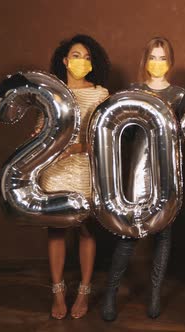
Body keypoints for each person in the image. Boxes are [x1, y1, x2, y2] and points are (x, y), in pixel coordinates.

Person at [101, 37, 185, 321]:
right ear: (145, 60)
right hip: (137, 171)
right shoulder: (133, 91)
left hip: (168, 173)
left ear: (170, 62)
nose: (157, 63)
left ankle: (154, 295)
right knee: (128, 234)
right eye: (153, 57)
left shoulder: (179, 94)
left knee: (164, 235)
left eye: (162, 58)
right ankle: (110, 294)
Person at [36, 34, 110, 320]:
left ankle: (84, 290)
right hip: (54, 170)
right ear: (65, 60)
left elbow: (105, 140)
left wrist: (78, 148)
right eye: (76, 56)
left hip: (84, 168)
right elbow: (43, 129)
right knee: (55, 229)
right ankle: (56, 291)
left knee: (86, 229)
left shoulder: (101, 94)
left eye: (87, 57)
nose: (82, 61)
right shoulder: (52, 92)